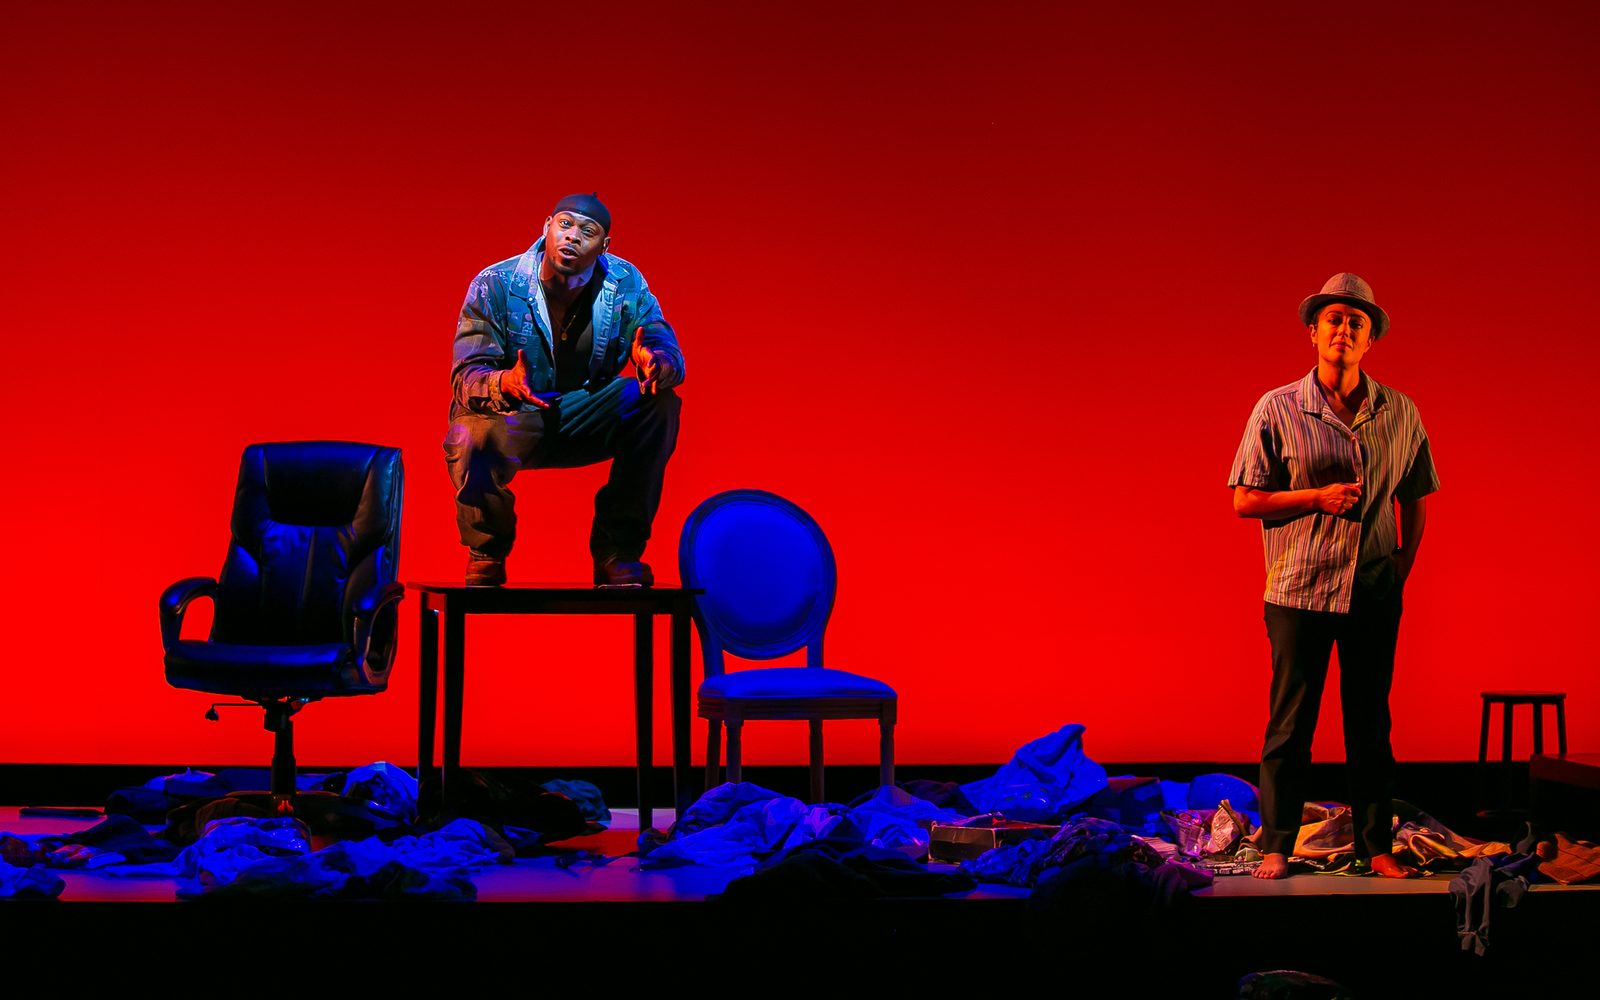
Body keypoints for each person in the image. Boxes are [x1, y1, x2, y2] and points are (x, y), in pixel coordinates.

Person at [1228, 272, 1438, 879]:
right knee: (1290, 723)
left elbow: (1416, 495)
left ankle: (1377, 845)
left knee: (1370, 722)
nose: (1344, 330)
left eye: (1356, 322)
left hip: (1371, 587)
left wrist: (1402, 565)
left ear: (1370, 339)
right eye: (1334, 320)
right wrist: (1315, 498)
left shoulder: (1400, 411)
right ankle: (1277, 842)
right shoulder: (1277, 407)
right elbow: (1244, 498)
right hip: (1299, 586)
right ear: (1313, 333)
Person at [444, 193, 684, 587]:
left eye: (588, 231)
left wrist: (658, 360)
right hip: (511, 413)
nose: (572, 236)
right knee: (470, 432)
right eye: (565, 224)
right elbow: (466, 376)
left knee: (658, 405)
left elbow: (659, 336)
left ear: (604, 246)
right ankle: (486, 551)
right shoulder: (496, 284)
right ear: (547, 226)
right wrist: (504, 383)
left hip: (581, 412)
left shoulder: (625, 282)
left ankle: (617, 553)